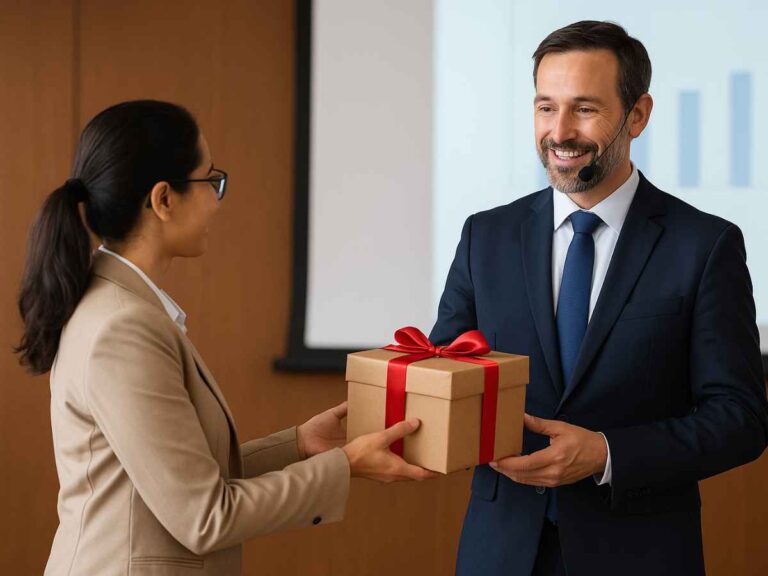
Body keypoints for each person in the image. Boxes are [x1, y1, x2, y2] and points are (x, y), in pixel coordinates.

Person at [16, 100, 435, 576]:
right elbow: (205, 516)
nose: (217, 199)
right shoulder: (122, 327)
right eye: (209, 181)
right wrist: (345, 464)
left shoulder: (118, 306)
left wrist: (297, 444)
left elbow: (181, 476)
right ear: (163, 200)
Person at [430, 20, 768, 576]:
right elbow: (449, 375)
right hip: (501, 551)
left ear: (637, 115)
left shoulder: (705, 246)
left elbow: (740, 419)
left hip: (640, 552)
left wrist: (606, 453)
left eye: (584, 108)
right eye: (545, 107)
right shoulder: (484, 236)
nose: (559, 131)